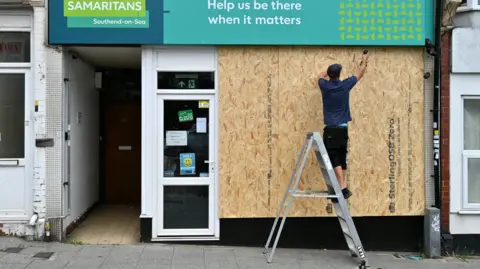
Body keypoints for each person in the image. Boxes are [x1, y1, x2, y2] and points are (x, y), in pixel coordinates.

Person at [317, 51, 369, 200]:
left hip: (331, 129)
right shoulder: (346, 85)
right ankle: (341, 189)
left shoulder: (324, 86)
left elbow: (319, 77)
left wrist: (325, 73)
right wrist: (364, 60)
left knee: (333, 158)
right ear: (339, 74)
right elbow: (361, 73)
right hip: (343, 128)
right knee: (341, 157)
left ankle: (343, 187)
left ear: (329, 75)